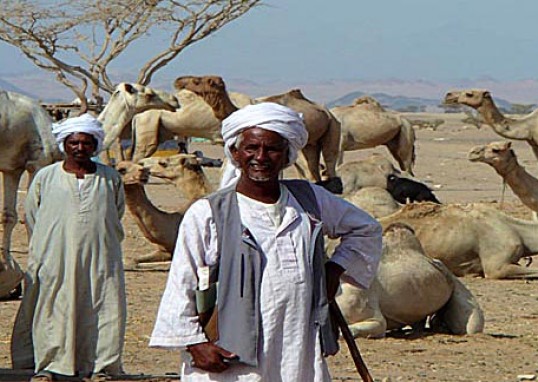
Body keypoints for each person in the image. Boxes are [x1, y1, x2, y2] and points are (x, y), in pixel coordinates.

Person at [149, 102, 383, 381]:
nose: (261, 157)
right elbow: (182, 280)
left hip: (298, 343)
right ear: (235, 154)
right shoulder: (209, 212)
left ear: (287, 156)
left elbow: (366, 229)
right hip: (231, 351)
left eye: (272, 149)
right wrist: (195, 343)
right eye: (251, 148)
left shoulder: (309, 200)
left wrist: (333, 271)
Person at [11, 114, 127, 382]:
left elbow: (115, 213)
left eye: (86, 143)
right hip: (54, 259)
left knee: (103, 308)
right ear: (65, 144)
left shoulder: (109, 178)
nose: (79, 148)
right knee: (51, 308)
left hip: (100, 259)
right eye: (74, 143)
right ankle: (50, 366)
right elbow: (33, 214)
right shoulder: (45, 177)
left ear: (94, 145)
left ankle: (102, 367)